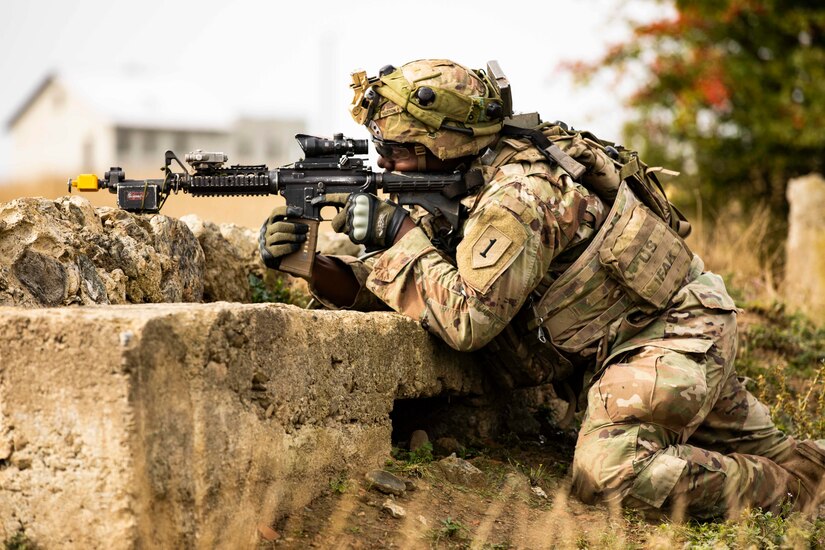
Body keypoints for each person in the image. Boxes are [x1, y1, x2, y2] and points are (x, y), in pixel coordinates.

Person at [259, 59, 825, 519]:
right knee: (777, 451)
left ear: (449, 145)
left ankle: (790, 496)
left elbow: (466, 320)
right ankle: (807, 476)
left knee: (609, 472)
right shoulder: (462, 183)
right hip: (641, 332)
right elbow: (419, 285)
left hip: (670, 333)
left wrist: (395, 234)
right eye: (381, 148)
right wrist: (313, 267)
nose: (384, 162)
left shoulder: (517, 198)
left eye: (399, 151)